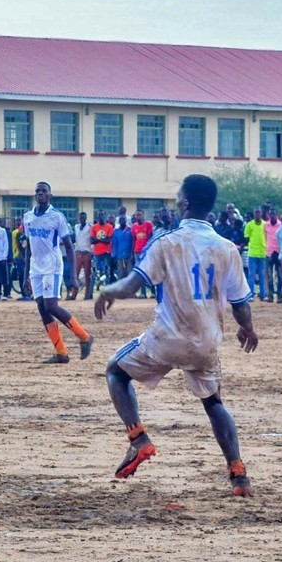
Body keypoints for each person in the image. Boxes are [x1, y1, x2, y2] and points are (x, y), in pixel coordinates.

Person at [95, 174, 257, 497]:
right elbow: (240, 302)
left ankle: (138, 439)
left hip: (167, 338)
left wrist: (106, 291)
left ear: (184, 203)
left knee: (115, 370)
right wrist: (248, 329)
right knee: (214, 403)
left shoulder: (168, 242)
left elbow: (132, 285)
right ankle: (238, 474)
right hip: (206, 342)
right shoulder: (227, 249)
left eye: (177, 196)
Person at [24, 181, 93, 363]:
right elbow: (28, 247)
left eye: (44, 191)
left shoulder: (57, 217)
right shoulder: (28, 217)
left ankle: (85, 337)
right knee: (42, 308)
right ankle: (61, 352)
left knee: (51, 306)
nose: (40, 193)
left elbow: (69, 247)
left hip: (52, 266)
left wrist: (73, 277)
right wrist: (25, 276)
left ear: (50, 196)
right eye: (37, 190)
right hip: (35, 267)